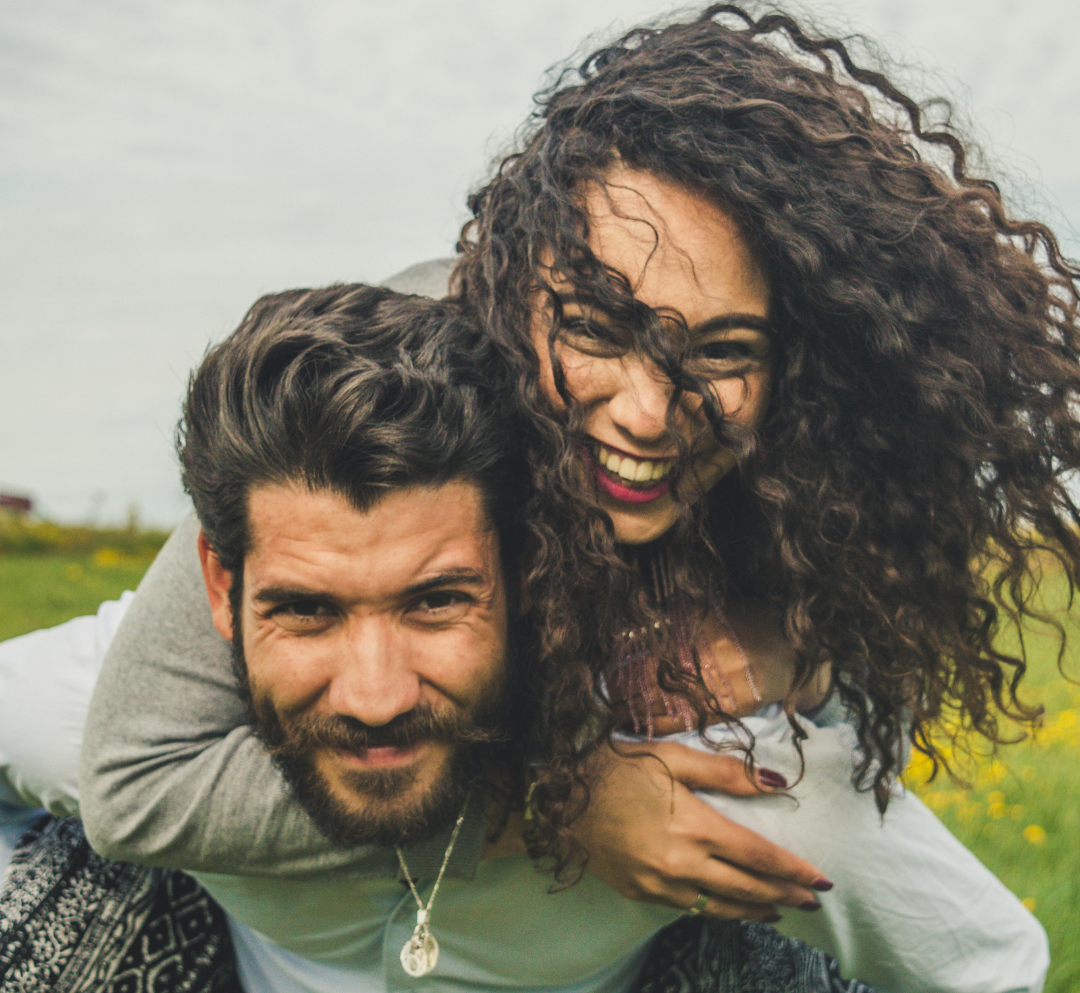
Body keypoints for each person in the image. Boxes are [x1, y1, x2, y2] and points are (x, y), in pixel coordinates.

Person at [0, 283, 868, 993]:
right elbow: (129, 787)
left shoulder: (757, 757)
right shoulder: (82, 696)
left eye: (436, 600)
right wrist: (552, 800)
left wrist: (803, 652)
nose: (647, 412)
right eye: (308, 608)